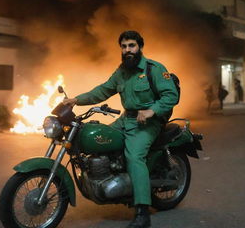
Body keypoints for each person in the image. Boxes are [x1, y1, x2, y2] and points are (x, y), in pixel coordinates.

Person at [63, 30, 178, 228]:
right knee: (101, 141)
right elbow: (103, 90)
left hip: (147, 123)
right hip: (126, 120)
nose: (127, 50)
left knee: (135, 157)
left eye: (131, 45)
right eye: (124, 47)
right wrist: (76, 100)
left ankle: (142, 211)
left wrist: (152, 111)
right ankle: (111, 179)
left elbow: (171, 95)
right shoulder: (121, 72)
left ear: (140, 47)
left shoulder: (155, 69)